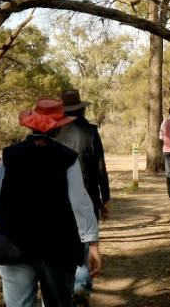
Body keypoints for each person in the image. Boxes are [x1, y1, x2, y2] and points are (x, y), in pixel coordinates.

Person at [0, 98, 103, 307]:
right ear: (58, 129)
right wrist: (92, 243)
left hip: (13, 245)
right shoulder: (67, 158)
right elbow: (79, 203)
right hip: (57, 248)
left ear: (31, 126)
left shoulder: (9, 155)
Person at [54, 88, 110, 305]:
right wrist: (105, 199)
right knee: (85, 243)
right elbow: (101, 168)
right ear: (81, 109)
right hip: (88, 194)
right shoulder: (91, 132)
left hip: (57, 197)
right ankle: (82, 287)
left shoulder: (55, 131)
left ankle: (67, 288)